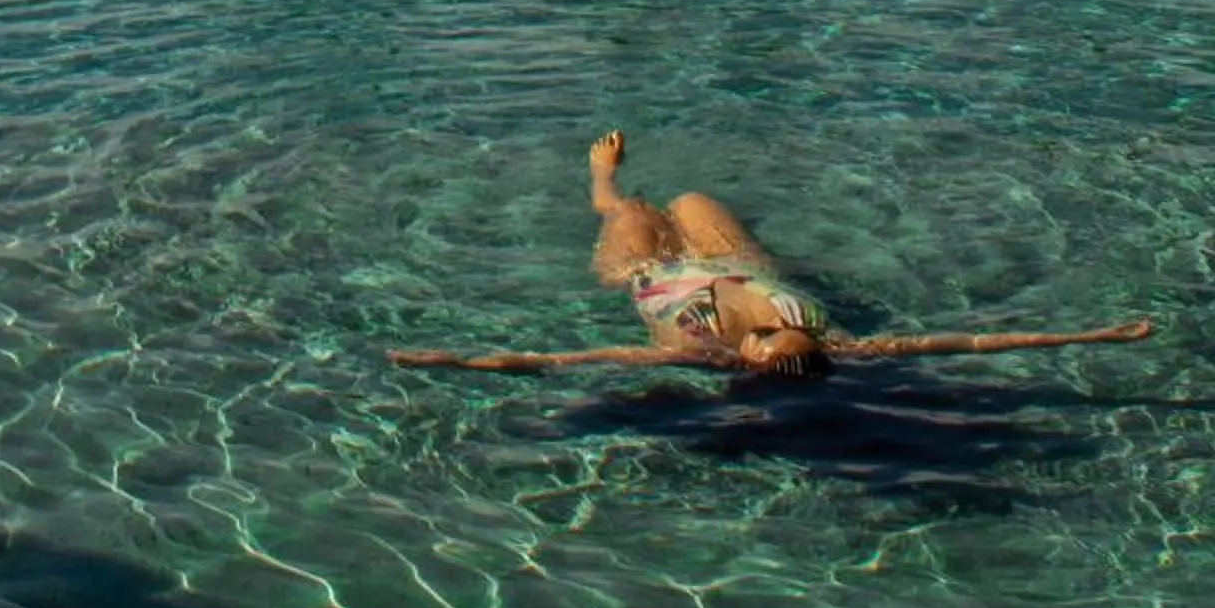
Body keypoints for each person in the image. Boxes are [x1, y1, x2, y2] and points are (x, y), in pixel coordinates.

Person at [391, 130, 1153, 380]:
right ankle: (633, 191)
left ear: (751, 360)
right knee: (688, 201)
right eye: (789, 331)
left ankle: (600, 173)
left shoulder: (699, 358)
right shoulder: (847, 346)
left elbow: (572, 360)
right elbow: (973, 342)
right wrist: (1094, 335)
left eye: (763, 338)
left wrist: (457, 361)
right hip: (742, 259)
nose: (763, 332)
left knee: (630, 211)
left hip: (656, 277)